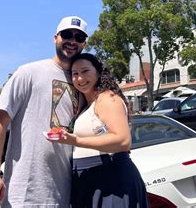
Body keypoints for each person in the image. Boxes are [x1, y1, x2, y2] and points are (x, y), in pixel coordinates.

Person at [0, 16, 89, 207]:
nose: (72, 41)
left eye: (79, 37)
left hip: (64, 193)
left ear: (84, 44)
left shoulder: (82, 82)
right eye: (67, 35)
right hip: (25, 193)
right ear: (55, 38)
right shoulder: (29, 72)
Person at [50, 53, 148, 208]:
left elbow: (123, 141)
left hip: (110, 179)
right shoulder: (88, 103)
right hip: (90, 180)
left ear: (98, 72)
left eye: (85, 71)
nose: (80, 78)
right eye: (75, 74)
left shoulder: (107, 98)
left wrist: (75, 140)